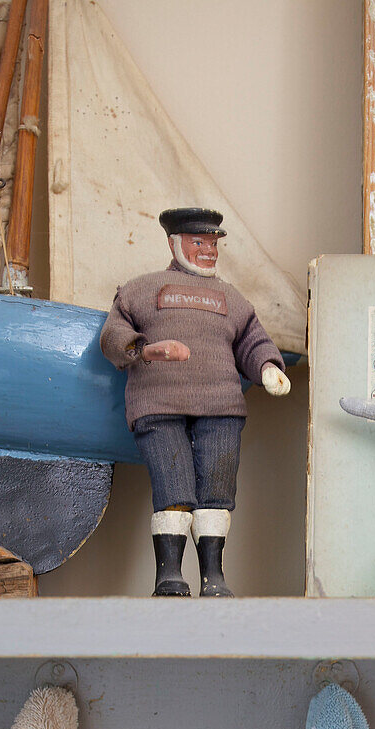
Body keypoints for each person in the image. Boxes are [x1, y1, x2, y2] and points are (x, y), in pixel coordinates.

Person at [100, 207, 290, 597]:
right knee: (173, 488)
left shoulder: (231, 299)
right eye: (199, 242)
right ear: (174, 243)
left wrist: (268, 367)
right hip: (159, 403)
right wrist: (145, 350)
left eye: (213, 243)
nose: (208, 251)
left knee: (217, 494)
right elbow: (113, 334)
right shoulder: (139, 290)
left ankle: (213, 577)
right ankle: (169, 575)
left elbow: (252, 340)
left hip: (221, 408)